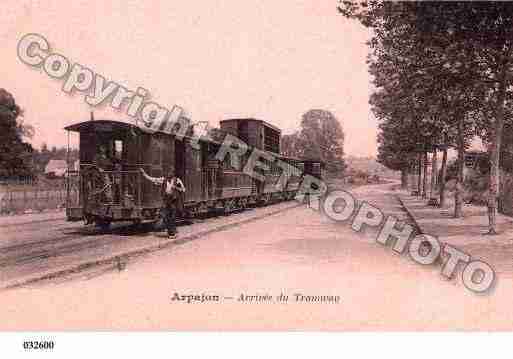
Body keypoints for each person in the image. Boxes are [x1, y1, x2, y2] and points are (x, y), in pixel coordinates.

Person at [139, 167, 186, 238]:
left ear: (173, 173)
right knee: (165, 216)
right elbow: (152, 179)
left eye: (170, 172)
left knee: (172, 217)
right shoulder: (163, 179)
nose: (168, 174)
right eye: (167, 172)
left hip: (174, 201)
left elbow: (183, 189)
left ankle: (172, 233)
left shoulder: (177, 180)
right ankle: (172, 232)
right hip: (166, 200)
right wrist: (144, 174)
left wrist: (175, 187)